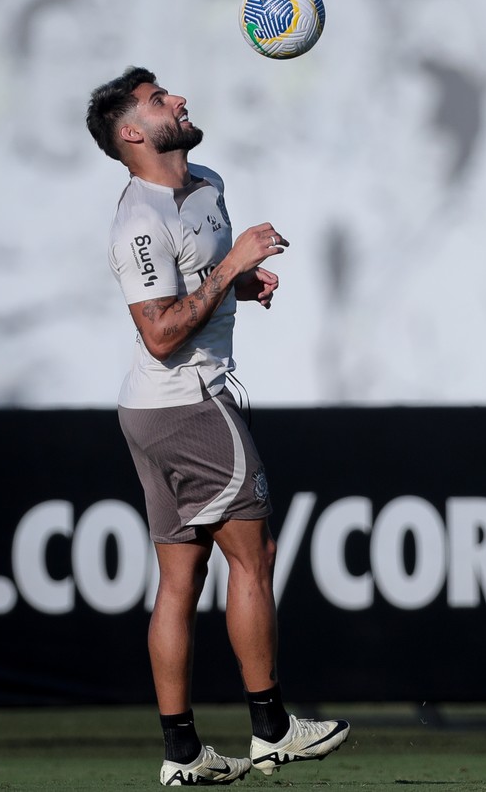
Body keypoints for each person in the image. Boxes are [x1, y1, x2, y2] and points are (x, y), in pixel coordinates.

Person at [85, 66, 350, 786]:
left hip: (156, 410)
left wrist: (239, 282)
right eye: (158, 100)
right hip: (186, 402)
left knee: (182, 577)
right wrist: (233, 264)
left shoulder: (207, 182)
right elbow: (160, 335)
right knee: (255, 556)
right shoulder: (139, 222)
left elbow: (194, 284)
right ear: (132, 133)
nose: (179, 100)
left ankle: (182, 753)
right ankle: (272, 729)